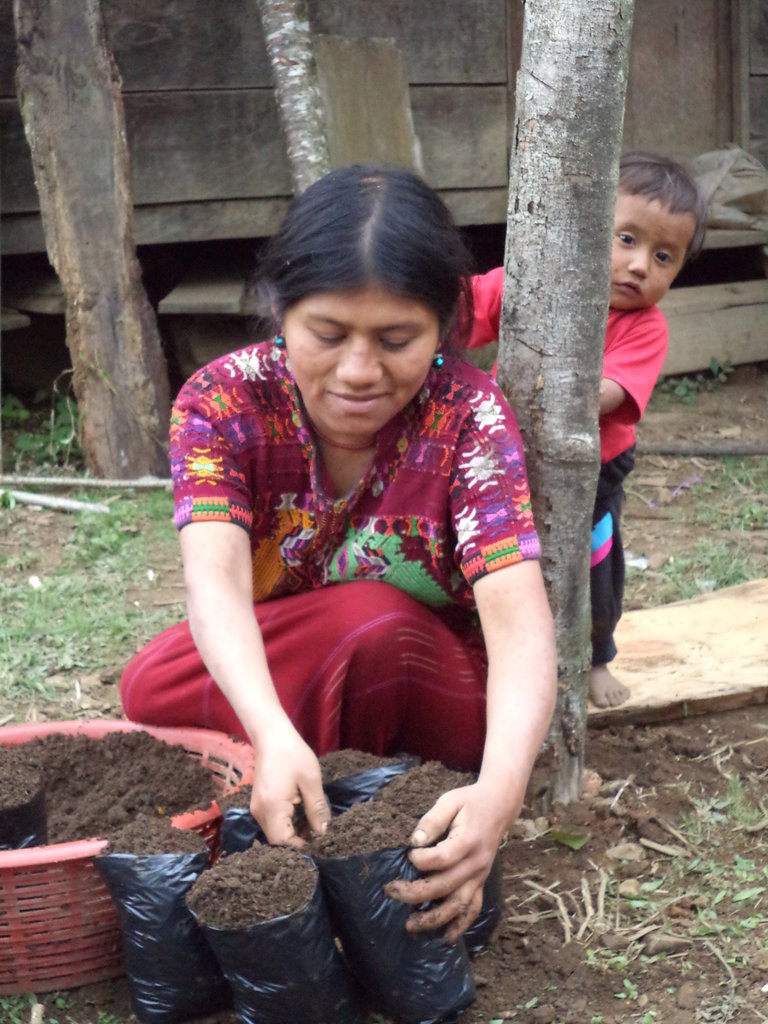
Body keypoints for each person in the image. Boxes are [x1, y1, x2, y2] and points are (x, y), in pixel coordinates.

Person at [121, 164, 557, 942]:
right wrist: (270, 729)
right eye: (327, 335)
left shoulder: (468, 417)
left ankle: (339, 796)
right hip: (296, 676)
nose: (360, 371)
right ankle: (302, 767)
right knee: (151, 685)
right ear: (280, 310)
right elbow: (215, 585)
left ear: (446, 325)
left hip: (428, 680)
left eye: (398, 340)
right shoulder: (221, 402)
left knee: (375, 623)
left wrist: (501, 792)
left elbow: (519, 623)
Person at [467, 151, 707, 708]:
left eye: (663, 256)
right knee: (498, 557)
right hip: (502, 457)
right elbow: (468, 307)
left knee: (593, 562)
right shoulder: (533, 283)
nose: (641, 265)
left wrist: (543, 386)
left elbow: (611, 393)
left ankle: (598, 654)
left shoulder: (645, 328)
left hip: (595, 468)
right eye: (626, 239)